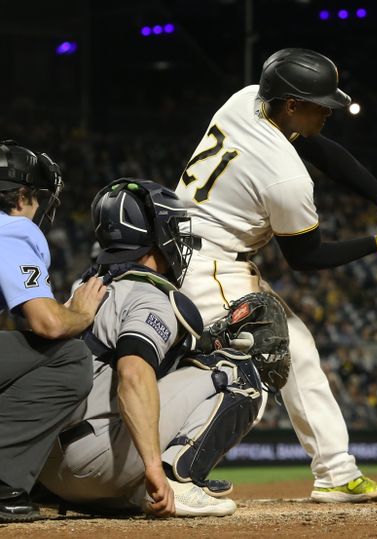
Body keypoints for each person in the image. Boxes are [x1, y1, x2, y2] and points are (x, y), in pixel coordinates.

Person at [175, 48, 377, 503]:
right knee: (275, 355)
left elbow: (320, 149)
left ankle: (336, 471)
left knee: (294, 349)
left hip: (183, 247)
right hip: (210, 265)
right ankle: (178, 470)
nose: (329, 111)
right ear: (291, 104)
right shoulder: (285, 178)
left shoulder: (247, 99)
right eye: (320, 104)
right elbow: (306, 258)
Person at [38, 179, 268, 517]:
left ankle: (128, 489)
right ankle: (178, 476)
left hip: (46, 466)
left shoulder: (83, 288)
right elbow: (133, 373)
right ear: (154, 236)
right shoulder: (149, 296)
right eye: (172, 227)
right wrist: (152, 468)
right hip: (94, 465)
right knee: (238, 371)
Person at [0, 141, 106, 522]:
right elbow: (49, 323)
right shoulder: (11, 229)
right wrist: (79, 312)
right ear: (23, 195)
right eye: (37, 197)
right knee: (68, 356)